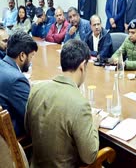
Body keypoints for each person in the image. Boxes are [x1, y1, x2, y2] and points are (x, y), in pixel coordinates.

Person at [25, 39, 103, 167]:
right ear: (82, 66)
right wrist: (94, 125)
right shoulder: (80, 104)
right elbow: (89, 157)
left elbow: (28, 130)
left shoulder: (36, 89)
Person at [0, 31, 38, 137]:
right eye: (31, 56)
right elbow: (33, 117)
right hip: (12, 137)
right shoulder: (16, 79)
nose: (31, 61)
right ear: (22, 56)